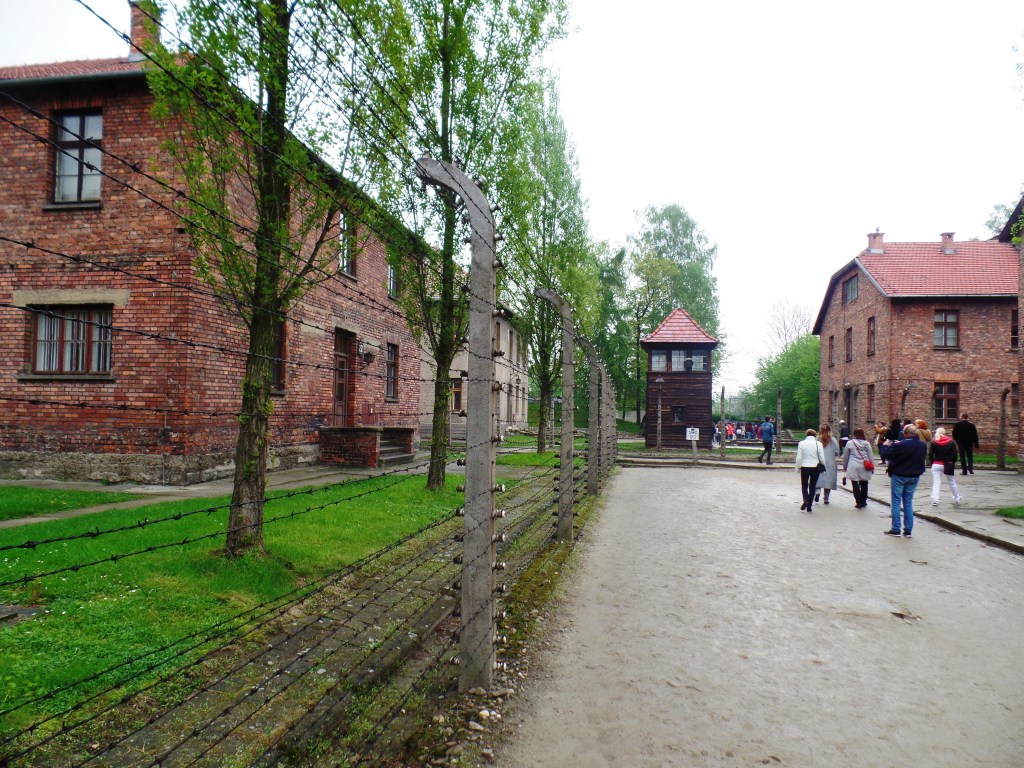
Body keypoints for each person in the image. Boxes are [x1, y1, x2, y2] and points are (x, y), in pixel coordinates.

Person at [879, 424, 927, 537]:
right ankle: (908, 530)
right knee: (908, 502)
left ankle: (896, 528)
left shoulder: (901, 445)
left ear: (906, 433)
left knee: (896, 501)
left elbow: (885, 454)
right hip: (914, 475)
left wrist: (885, 446)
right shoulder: (922, 445)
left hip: (900, 475)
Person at [928, 427, 962, 506]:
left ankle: (935, 500)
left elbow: (930, 454)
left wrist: (933, 462)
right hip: (948, 463)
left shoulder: (934, 441)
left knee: (936, 482)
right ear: (944, 433)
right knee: (952, 482)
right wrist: (952, 462)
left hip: (937, 464)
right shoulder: (951, 441)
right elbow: (955, 453)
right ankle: (957, 497)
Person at [842, 427, 876, 508]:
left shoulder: (850, 443)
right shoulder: (866, 443)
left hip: (853, 465)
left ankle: (858, 502)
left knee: (855, 484)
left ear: (854, 434)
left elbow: (846, 456)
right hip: (864, 465)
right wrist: (872, 467)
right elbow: (870, 456)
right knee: (864, 483)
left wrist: (845, 466)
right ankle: (864, 501)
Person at [795, 428, 826, 511]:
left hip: (805, 466)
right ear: (815, 435)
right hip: (815, 467)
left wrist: (797, 467)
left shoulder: (801, 443)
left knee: (804, 485)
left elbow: (799, 457)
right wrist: (823, 465)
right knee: (812, 486)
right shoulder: (819, 444)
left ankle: (805, 499)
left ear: (806, 435)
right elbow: (822, 457)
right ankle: (809, 506)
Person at [814, 423, 840, 504]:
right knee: (828, 480)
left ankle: (817, 491)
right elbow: (837, 452)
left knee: (817, 478)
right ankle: (826, 498)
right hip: (830, 462)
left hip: (819, 461)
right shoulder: (833, 440)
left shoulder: (817, 439)